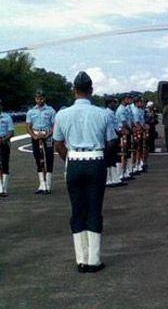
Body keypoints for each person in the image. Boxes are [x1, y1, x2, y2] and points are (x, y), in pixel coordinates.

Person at [53, 71, 117, 273]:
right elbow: (112, 141)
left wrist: (69, 159)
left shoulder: (62, 114)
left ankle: (81, 259)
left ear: (74, 90)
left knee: (78, 210)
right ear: (91, 90)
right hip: (96, 160)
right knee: (94, 209)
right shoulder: (103, 114)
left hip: (74, 161)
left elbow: (58, 143)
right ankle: (94, 259)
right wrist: (103, 161)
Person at [26, 89, 56, 194]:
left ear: (44, 98)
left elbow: (54, 125)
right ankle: (41, 184)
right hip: (36, 136)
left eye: (41, 98)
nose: (40, 100)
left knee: (49, 157)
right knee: (38, 158)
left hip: (47, 135)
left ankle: (48, 183)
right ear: (35, 99)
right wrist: (33, 136)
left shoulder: (51, 110)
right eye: (38, 98)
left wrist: (48, 134)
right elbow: (28, 126)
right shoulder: (31, 111)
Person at [105, 97, 126, 188]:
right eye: (113, 102)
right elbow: (112, 128)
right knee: (110, 160)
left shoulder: (111, 113)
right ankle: (109, 180)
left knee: (113, 159)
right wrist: (120, 131)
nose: (115, 104)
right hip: (110, 139)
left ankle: (114, 178)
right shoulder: (108, 114)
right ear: (109, 104)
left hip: (114, 138)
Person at [115, 95, 134, 181]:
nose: (128, 100)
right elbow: (124, 122)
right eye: (127, 99)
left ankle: (125, 171)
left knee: (127, 152)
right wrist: (130, 129)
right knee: (123, 152)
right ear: (123, 100)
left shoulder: (125, 108)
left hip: (126, 131)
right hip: (123, 132)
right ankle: (121, 173)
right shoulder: (121, 109)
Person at [0, 99, 14, 198]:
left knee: (5, 164)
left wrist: (4, 139)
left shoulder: (7, 117)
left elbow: (11, 132)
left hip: (4, 142)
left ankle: (4, 188)